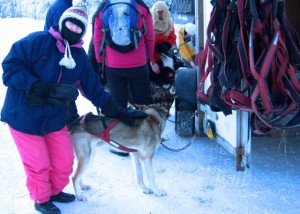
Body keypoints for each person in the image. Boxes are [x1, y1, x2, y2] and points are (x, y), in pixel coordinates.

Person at [1, 3, 147, 214]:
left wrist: (118, 110)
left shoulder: (78, 58)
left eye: (80, 27)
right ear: (62, 23)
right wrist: (33, 84)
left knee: (64, 161)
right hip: (23, 114)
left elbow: (93, 88)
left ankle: (54, 191)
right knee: (39, 163)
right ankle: (41, 199)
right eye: (71, 23)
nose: (74, 29)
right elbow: (10, 66)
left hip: (53, 117)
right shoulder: (38, 41)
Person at [93, 0, 155, 156]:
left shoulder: (104, 8)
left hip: (113, 65)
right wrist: (148, 56)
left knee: (117, 102)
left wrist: (101, 61)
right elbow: (150, 36)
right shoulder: (141, 7)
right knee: (142, 101)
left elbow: (97, 38)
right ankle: (145, 140)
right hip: (138, 62)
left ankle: (120, 144)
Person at [149, 1, 177, 86]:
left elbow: (173, 37)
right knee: (152, 80)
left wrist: (167, 45)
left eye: (162, 13)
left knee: (166, 79)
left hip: (164, 55)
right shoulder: (148, 23)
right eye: (158, 13)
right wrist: (153, 62)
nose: (160, 16)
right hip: (149, 57)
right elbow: (144, 45)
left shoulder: (169, 23)